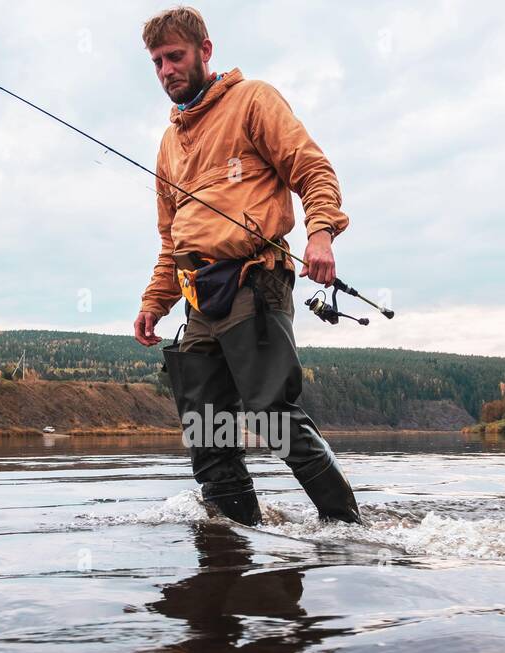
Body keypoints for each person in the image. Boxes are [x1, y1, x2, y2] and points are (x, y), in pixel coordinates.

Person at [133, 6, 362, 526]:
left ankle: (347, 529)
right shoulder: (168, 144)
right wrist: (154, 302)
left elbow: (313, 169)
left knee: (270, 416)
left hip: (253, 281)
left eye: (175, 56)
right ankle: (235, 545)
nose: (166, 69)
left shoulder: (253, 99)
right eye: (156, 62)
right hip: (197, 300)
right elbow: (171, 238)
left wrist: (321, 233)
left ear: (204, 51)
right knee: (206, 429)